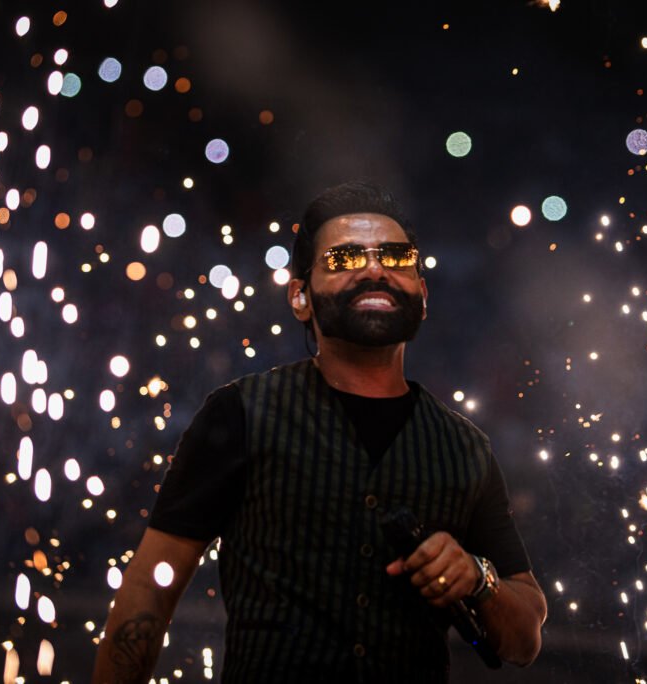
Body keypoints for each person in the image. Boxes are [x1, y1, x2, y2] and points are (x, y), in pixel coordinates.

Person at [92, 181, 546, 683]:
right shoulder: (240, 413)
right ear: (300, 297)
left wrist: (480, 580)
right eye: (345, 258)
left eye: (396, 257)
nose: (375, 270)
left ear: (423, 294)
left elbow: (526, 638)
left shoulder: (464, 448)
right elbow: (148, 592)